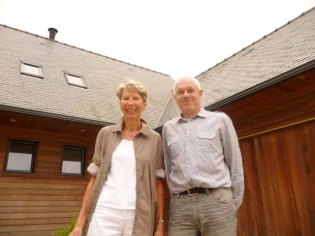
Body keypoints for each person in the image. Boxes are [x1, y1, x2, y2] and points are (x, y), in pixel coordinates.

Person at [70, 79, 165, 236]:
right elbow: (94, 179)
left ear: (144, 105)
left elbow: (158, 184)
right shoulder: (106, 134)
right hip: (105, 210)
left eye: (135, 98)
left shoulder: (155, 138)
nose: (130, 103)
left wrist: (160, 225)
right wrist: (79, 224)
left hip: (140, 214)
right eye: (125, 98)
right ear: (120, 103)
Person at [162, 76, 244, 236]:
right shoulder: (168, 128)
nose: (186, 95)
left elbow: (235, 164)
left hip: (217, 202)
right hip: (181, 207)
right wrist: (177, 198)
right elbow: (168, 167)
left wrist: (230, 202)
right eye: (180, 92)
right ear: (175, 98)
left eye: (190, 90)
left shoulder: (220, 120)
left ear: (200, 93)